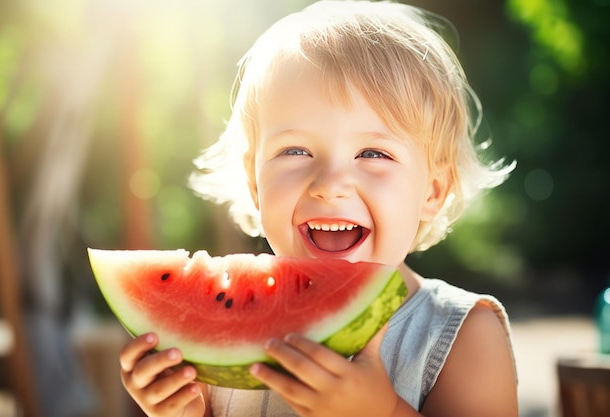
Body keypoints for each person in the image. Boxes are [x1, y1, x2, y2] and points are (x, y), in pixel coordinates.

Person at [118, 1, 519, 416]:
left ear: (433, 191)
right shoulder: (210, 357)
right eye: (295, 150)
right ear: (255, 184)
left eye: (372, 153)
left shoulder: (463, 335)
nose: (330, 185)